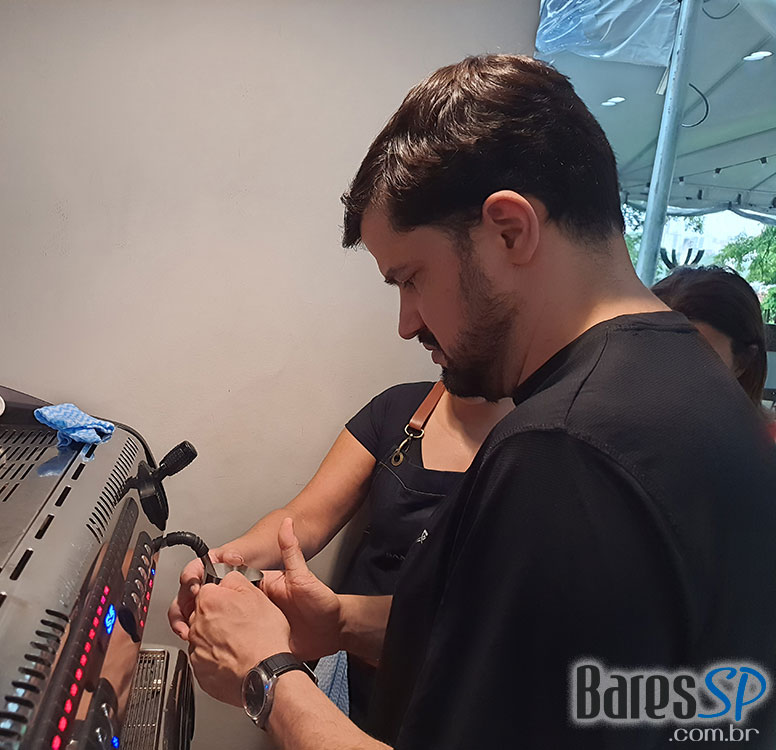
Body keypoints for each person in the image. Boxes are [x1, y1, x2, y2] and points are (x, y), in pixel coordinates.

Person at [181, 54, 776, 750]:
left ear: (509, 230)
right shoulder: (694, 389)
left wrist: (267, 676)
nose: (407, 322)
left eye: (411, 278)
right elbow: (535, 662)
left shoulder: (566, 448)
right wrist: (338, 622)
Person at [168, 379, 512, 727]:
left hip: (454, 697)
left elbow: (475, 622)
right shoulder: (398, 407)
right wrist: (227, 562)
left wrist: (337, 626)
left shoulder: (535, 449)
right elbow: (307, 517)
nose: (418, 342)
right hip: (357, 673)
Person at [652, 265, 775, 436]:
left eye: (697, 363)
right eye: (655, 355)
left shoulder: (765, 446)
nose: (672, 377)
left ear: (742, 363)